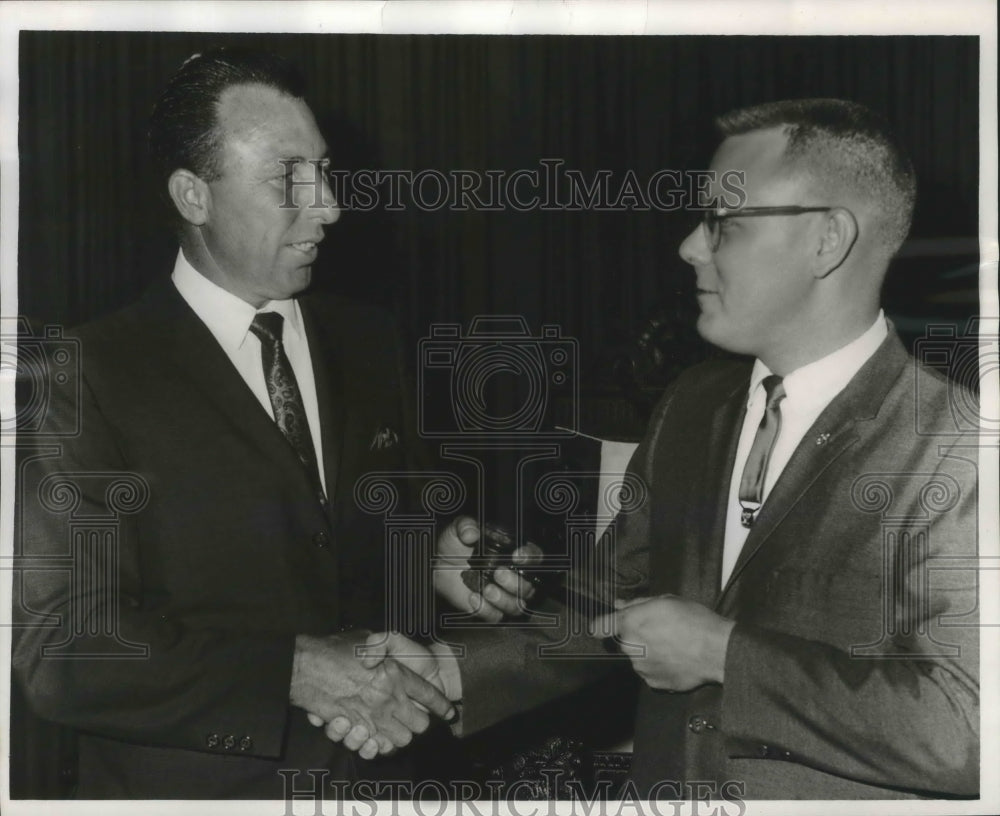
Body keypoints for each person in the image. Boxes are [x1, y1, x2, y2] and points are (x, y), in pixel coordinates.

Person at [365, 98, 981, 799]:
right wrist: (449, 669)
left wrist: (726, 657)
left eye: (723, 221)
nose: (691, 245)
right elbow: (605, 605)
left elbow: (968, 731)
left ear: (827, 240)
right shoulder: (692, 405)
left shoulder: (958, 446)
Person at [12, 47, 466, 799]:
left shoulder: (369, 339)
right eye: (290, 178)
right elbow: (64, 650)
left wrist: (444, 561)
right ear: (194, 195)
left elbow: (375, 534)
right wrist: (293, 671)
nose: (329, 205)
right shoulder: (81, 377)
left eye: (323, 171)